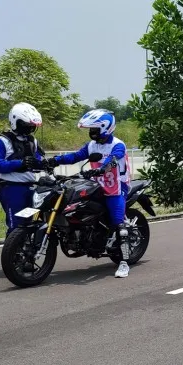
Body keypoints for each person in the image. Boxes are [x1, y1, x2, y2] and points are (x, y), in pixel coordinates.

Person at [50, 109, 132, 278]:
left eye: (94, 129)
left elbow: (113, 161)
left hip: (116, 187)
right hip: (97, 184)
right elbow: (76, 156)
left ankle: (124, 263)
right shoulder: (92, 145)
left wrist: (101, 169)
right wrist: (54, 160)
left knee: (119, 223)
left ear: (105, 128)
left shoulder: (118, 145)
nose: (91, 133)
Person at [0, 102, 46, 237]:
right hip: (12, 189)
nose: (30, 129)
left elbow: (39, 159)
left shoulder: (32, 141)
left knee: (34, 219)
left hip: (32, 188)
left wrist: (43, 163)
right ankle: (11, 255)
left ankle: (31, 250)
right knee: (16, 224)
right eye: (27, 125)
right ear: (16, 122)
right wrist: (19, 163)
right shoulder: (3, 141)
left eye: (32, 126)